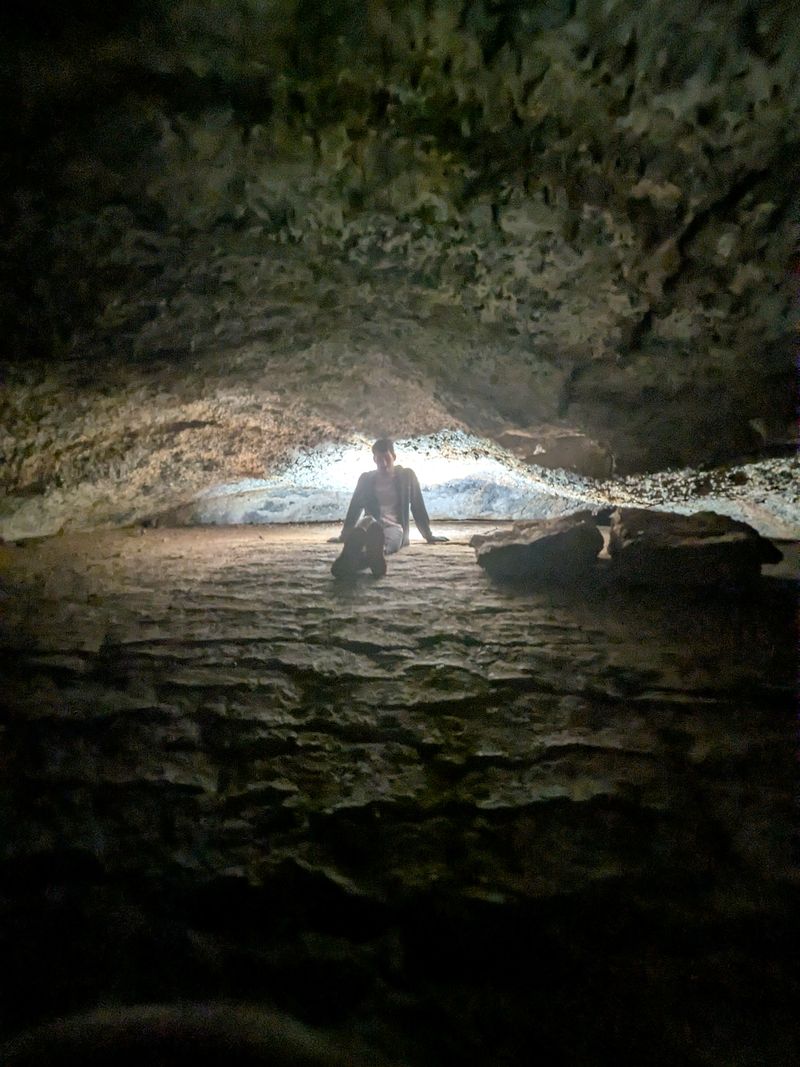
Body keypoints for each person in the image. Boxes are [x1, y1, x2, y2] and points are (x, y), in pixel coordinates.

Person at [330, 438, 448, 577]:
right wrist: (344, 535)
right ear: (374, 460)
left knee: (386, 542)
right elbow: (355, 506)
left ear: (394, 457)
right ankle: (357, 555)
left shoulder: (407, 476)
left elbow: (417, 505)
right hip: (371, 523)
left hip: (395, 526)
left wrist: (428, 535)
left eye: (387, 458)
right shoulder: (366, 479)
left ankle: (363, 557)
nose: (383, 464)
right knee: (364, 526)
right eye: (379, 459)